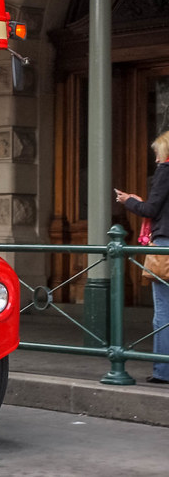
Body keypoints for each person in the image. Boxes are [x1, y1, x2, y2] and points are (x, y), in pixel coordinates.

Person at [116, 129, 169, 384]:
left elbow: (152, 208)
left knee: (163, 311)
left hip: (165, 245)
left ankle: (163, 371)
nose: (156, 160)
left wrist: (129, 201)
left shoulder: (165, 171)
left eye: (158, 154)